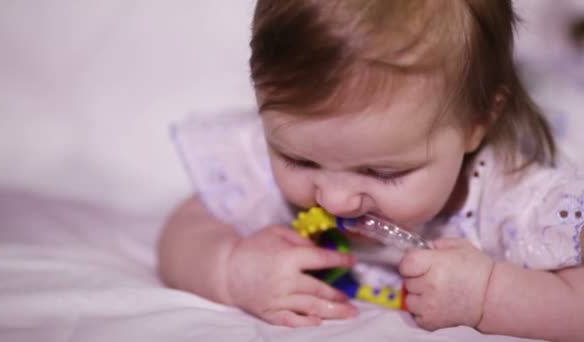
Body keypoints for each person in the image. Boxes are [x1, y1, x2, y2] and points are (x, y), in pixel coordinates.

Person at [158, 1, 584, 340]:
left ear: (476, 124)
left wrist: (489, 295)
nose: (333, 199)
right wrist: (231, 269)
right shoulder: (287, 145)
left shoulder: (515, 197)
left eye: (382, 172)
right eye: (300, 161)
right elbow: (183, 228)